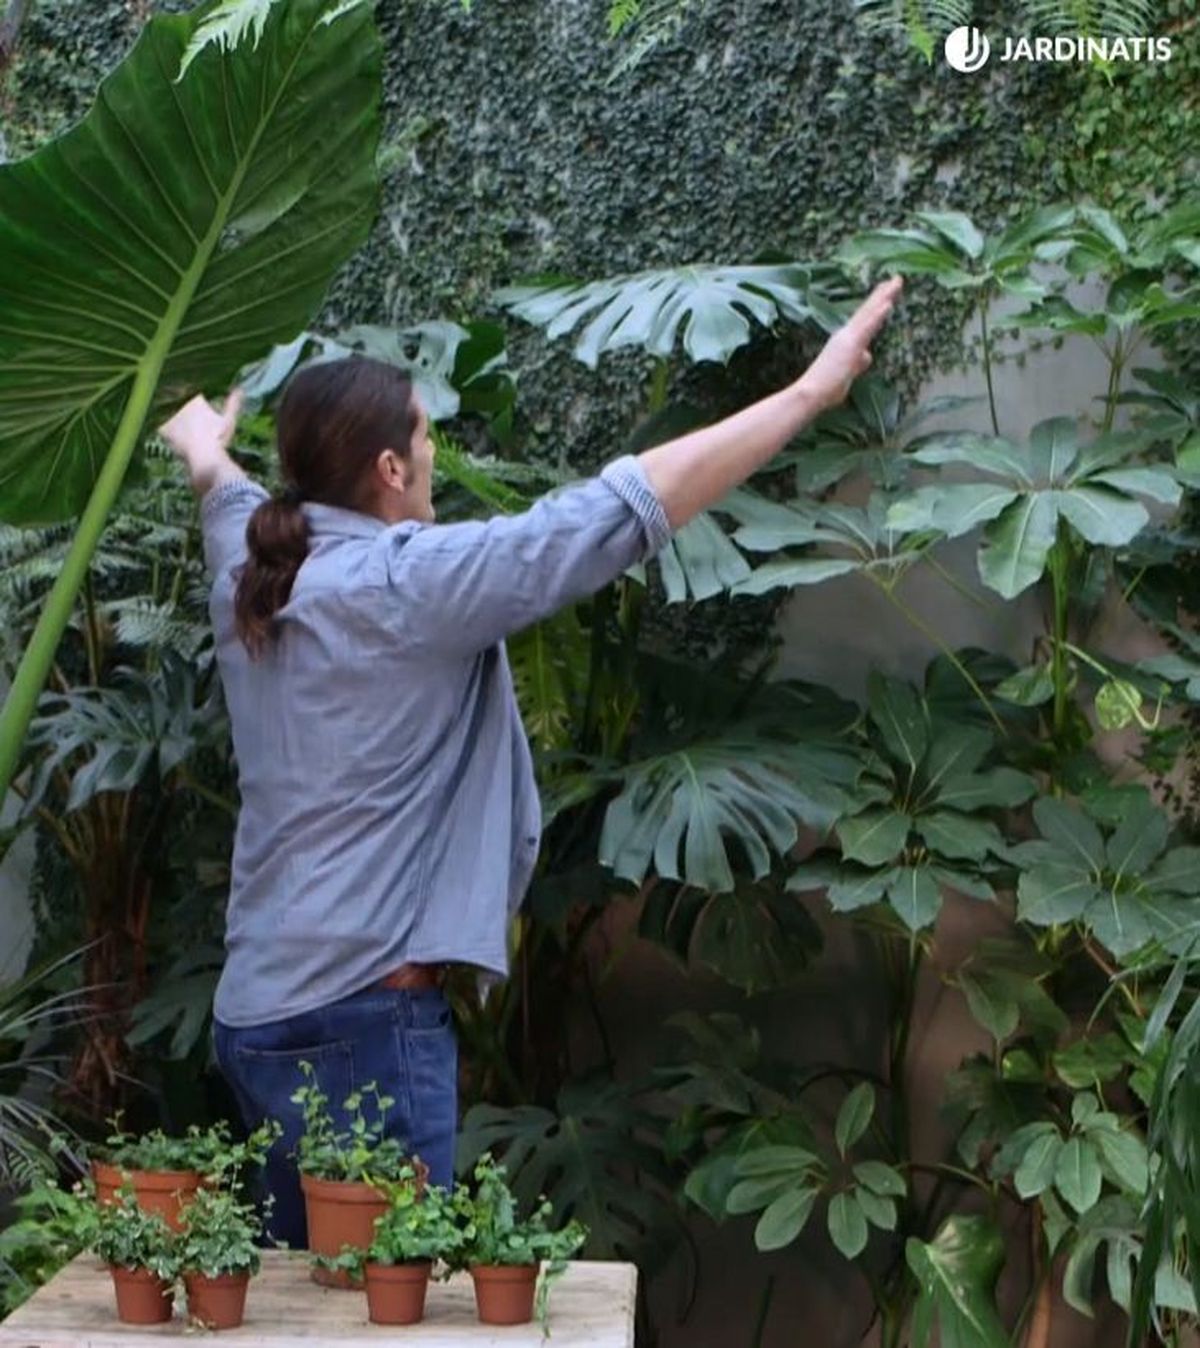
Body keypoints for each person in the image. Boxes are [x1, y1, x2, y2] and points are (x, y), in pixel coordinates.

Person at [160, 275, 903, 1245]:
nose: (431, 454)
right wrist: (807, 395)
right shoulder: (407, 582)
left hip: (255, 1018)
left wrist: (202, 447)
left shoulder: (250, 575)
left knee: (298, 1309)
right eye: (424, 437)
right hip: (361, 1030)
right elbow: (616, 510)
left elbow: (228, 495)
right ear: (389, 467)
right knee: (378, 1311)